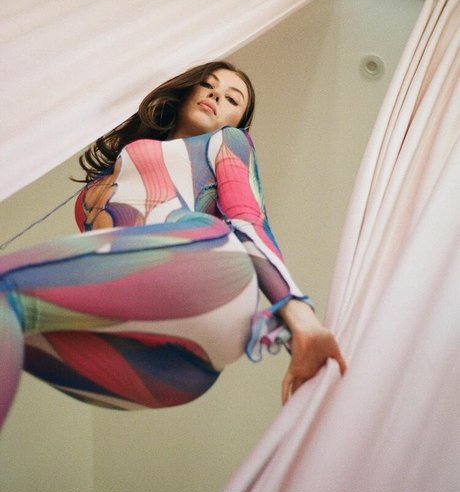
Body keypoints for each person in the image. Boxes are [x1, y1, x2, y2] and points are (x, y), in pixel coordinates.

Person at [0, 61, 345, 427]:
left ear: (238, 123)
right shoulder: (106, 176)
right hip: (178, 369)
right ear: (187, 90)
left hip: (208, 278)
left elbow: (249, 220)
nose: (216, 95)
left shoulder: (226, 141)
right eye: (209, 84)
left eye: (232, 99)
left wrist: (301, 320)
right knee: (11, 320)